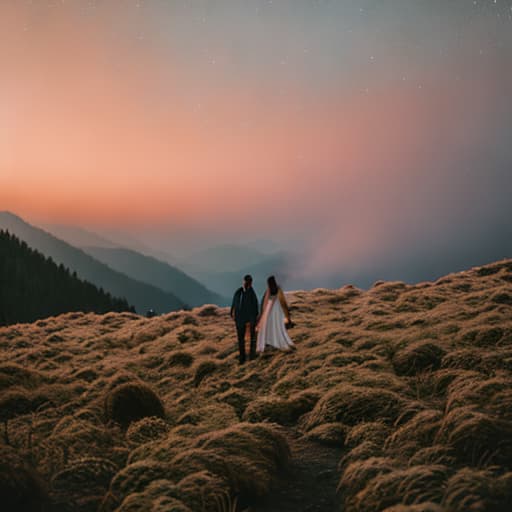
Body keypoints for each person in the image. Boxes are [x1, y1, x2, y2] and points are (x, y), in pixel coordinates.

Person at [256, 275, 295, 352]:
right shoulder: (276, 290)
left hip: (272, 310)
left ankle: (271, 343)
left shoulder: (271, 291)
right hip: (274, 310)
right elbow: (282, 302)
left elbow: (265, 303)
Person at [230, 274, 259, 364]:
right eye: (247, 281)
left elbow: (255, 308)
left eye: (249, 282)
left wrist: (253, 320)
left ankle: (251, 357)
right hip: (239, 320)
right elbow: (234, 303)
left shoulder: (252, 293)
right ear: (244, 281)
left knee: (250, 340)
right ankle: (242, 358)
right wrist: (232, 313)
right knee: (240, 340)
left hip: (248, 321)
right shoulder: (238, 292)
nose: (248, 283)